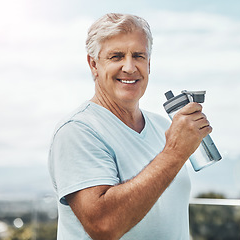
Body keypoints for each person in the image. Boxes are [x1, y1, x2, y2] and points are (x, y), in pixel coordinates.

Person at [48, 13, 212, 239]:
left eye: (138, 56)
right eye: (116, 56)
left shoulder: (164, 126)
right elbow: (104, 226)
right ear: (93, 64)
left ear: (149, 64)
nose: (129, 67)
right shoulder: (77, 131)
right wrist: (174, 153)